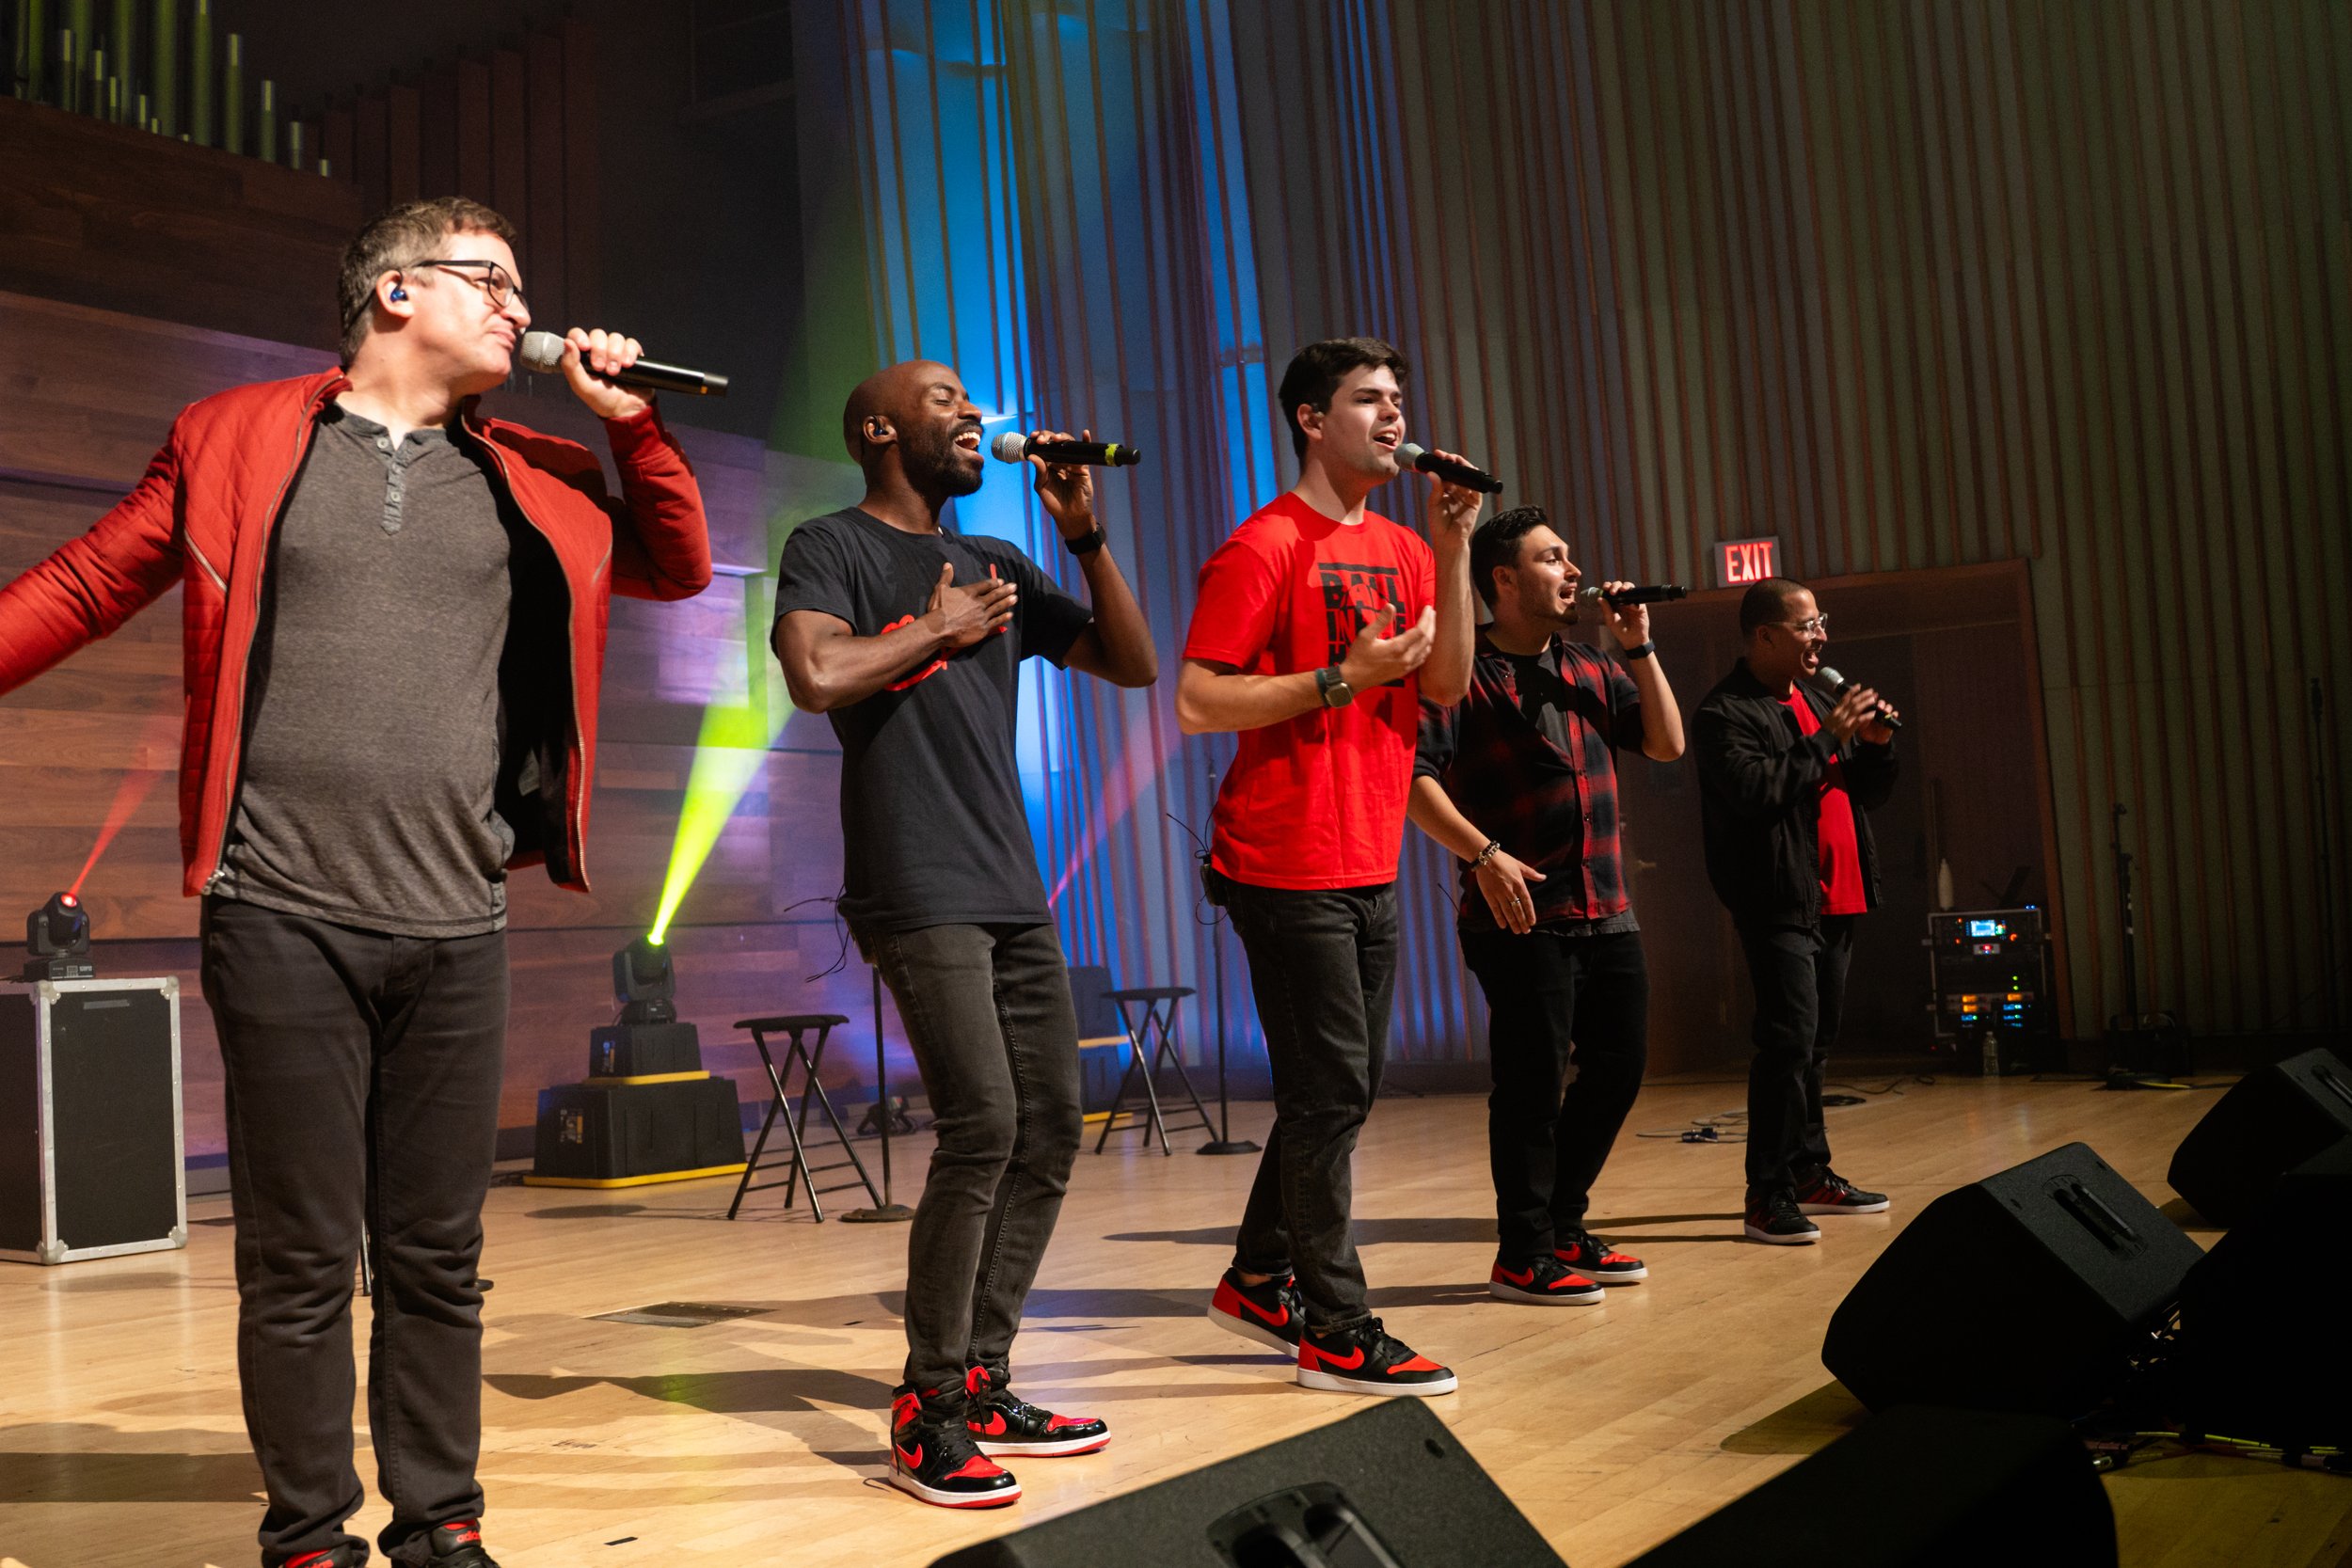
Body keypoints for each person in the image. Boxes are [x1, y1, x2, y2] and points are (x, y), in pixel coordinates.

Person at [0, 197, 711, 1568]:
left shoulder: (539, 475)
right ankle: (309, 1532)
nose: (520, 306)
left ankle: (442, 1523)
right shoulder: (240, 437)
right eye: (491, 280)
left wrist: (632, 422)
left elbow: (677, 564)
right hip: (280, 910)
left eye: (521, 288)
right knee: (300, 1257)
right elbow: (87, 583)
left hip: (458, 919)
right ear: (395, 292)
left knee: (438, 1255)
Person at [771, 361, 1157, 1508]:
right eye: (946, 399)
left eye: (971, 402)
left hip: (1009, 883)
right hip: (914, 876)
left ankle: (984, 1374)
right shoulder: (830, 540)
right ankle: (926, 1403)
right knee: (981, 1120)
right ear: (881, 426)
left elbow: (1130, 664)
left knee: (1047, 1126)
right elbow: (816, 672)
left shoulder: (1001, 564)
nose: (973, 415)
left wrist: (1082, 537)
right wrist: (932, 629)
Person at [1177, 337, 1483, 1397]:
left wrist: (1450, 549)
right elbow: (1197, 699)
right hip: (1280, 853)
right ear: (1312, 418)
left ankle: (1259, 1275)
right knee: (1329, 1090)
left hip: (1367, 852)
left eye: (1400, 398)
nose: (1394, 417)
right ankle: (1335, 1324)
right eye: (1369, 399)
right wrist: (1338, 680)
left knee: (1335, 1094)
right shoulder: (1264, 546)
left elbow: (1442, 685)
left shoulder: (1402, 546)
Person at [1407, 506, 1684, 1305]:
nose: (1572, 570)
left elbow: (1664, 742)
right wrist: (1482, 854)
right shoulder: (1462, 672)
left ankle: (1563, 1223)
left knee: (1620, 1066)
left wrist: (1639, 643)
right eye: (1551, 558)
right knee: (1531, 1086)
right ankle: (1522, 1251)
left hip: (1607, 905)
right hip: (1521, 912)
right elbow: (1413, 778)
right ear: (1503, 579)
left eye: (1570, 556)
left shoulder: (1591, 663)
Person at [1692, 578, 1899, 1245]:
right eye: (1808, 626)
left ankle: (1811, 1171)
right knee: (1785, 1044)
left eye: (1822, 623)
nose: (1822, 637)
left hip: (1839, 895)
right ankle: (1768, 1192)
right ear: (1765, 636)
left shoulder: (1815, 701)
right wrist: (1825, 739)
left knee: (1815, 1045)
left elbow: (1865, 792)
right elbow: (1757, 790)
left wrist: (1872, 744)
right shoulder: (1725, 712)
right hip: (1778, 899)